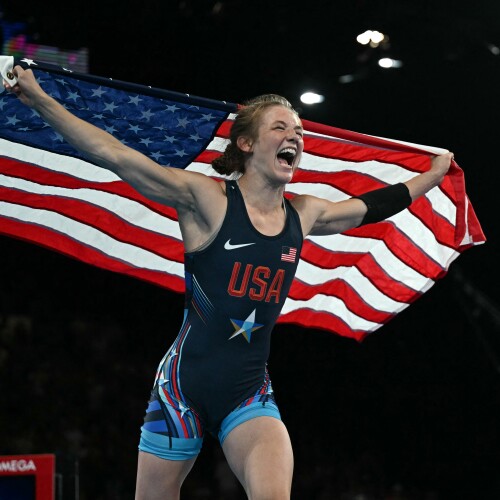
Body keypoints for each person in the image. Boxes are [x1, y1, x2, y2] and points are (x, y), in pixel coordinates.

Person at [4, 66, 453, 500]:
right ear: (246, 142)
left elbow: (369, 208)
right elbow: (115, 155)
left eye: (299, 130)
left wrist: (431, 176)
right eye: (281, 127)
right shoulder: (206, 198)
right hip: (180, 391)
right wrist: (39, 99)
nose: (295, 136)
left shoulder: (305, 212)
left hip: (249, 394)